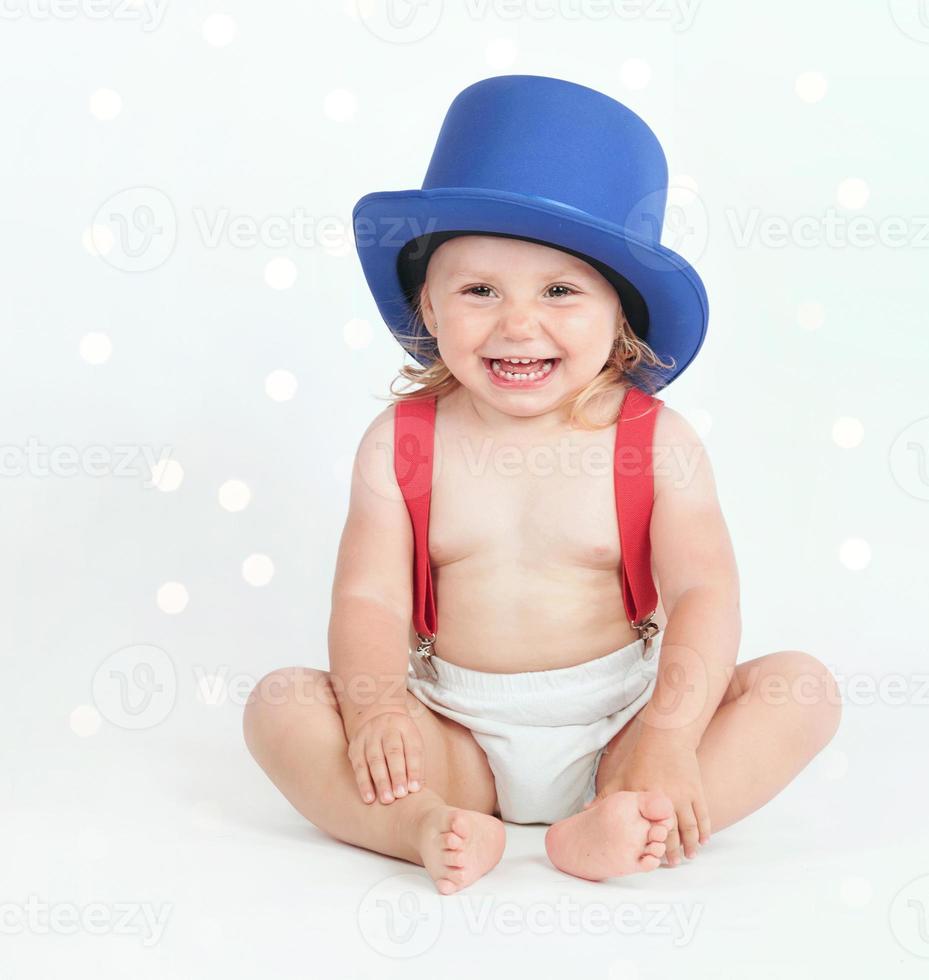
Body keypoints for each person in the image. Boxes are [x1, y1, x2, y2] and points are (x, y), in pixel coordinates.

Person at [243, 74, 840, 893]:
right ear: (429, 305)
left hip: (622, 723)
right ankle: (422, 821)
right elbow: (370, 602)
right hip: (454, 729)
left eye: (560, 291)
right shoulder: (401, 443)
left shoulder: (653, 442)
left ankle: (630, 810)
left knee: (800, 689)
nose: (518, 323)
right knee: (280, 706)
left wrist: (668, 734)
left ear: (619, 320)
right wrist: (381, 710)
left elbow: (704, 592)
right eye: (480, 290)